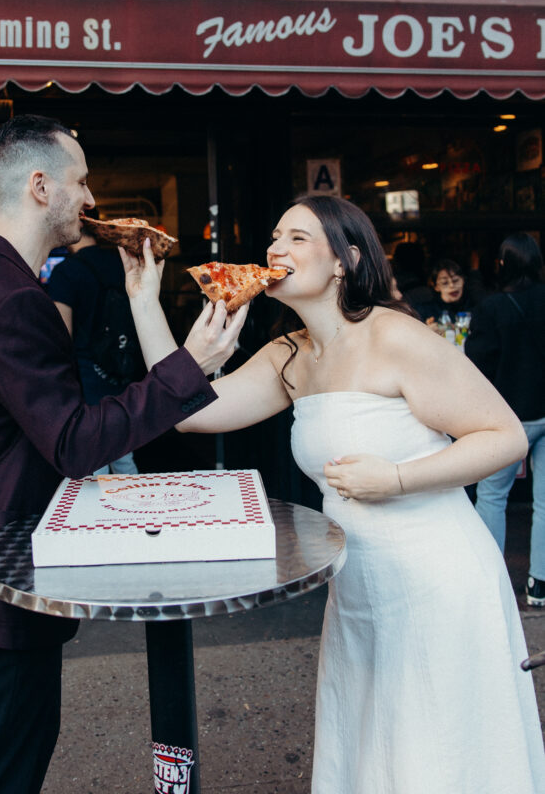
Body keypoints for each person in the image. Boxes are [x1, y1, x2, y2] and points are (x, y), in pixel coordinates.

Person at [125, 195, 544, 794]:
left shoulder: (396, 336)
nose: (274, 249)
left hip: (439, 580)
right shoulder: (289, 355)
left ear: (345, 259)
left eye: (297, 238)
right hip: (357, 590)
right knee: (372, 747)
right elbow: (188, 412)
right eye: (274, 236)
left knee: (441, 755)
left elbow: (503, 437)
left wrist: (397, 478)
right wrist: (143, 299)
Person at [0, 114, 247, 794]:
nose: (91, 199)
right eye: (80, 180)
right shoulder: (11, 301)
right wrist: (191, 366)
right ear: (40, 187)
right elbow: (72, 442)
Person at [465, 232, 545, 608]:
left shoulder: (492, 307)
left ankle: (489, 578)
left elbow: (477, 362)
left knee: (492, 496)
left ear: (503, 264)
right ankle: (540, 583)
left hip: (507, 417)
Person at [47, 216, 140, 475]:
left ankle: (97, 513)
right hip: (123, 367)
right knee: (123, 453)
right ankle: (134, 510)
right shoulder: (121, 264)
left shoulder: (66, 272)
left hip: (87, 374)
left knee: (93, 458)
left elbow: (61, 334)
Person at [423, 256, 485, 334]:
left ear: (463, 281)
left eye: (455, 280)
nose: (452, 285)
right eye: (445, 283)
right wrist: (426, 331)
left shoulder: (476, 306)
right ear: (436, 287)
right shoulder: (426, 311)